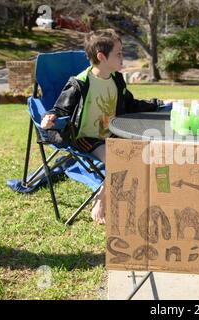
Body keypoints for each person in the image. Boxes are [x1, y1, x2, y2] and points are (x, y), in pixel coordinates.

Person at [41, 29, 166, 224]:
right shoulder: (80, 83)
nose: (122, 57)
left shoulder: (116, 79)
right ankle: (101, 197)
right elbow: (60, 109)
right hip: (86, 137)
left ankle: (123, 194)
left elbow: (130, 104)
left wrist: (156, 103)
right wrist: (50, 117)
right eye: (118, 53)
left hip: (114, 133)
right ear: (101, 57)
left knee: (145, 152)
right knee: (118, 159)